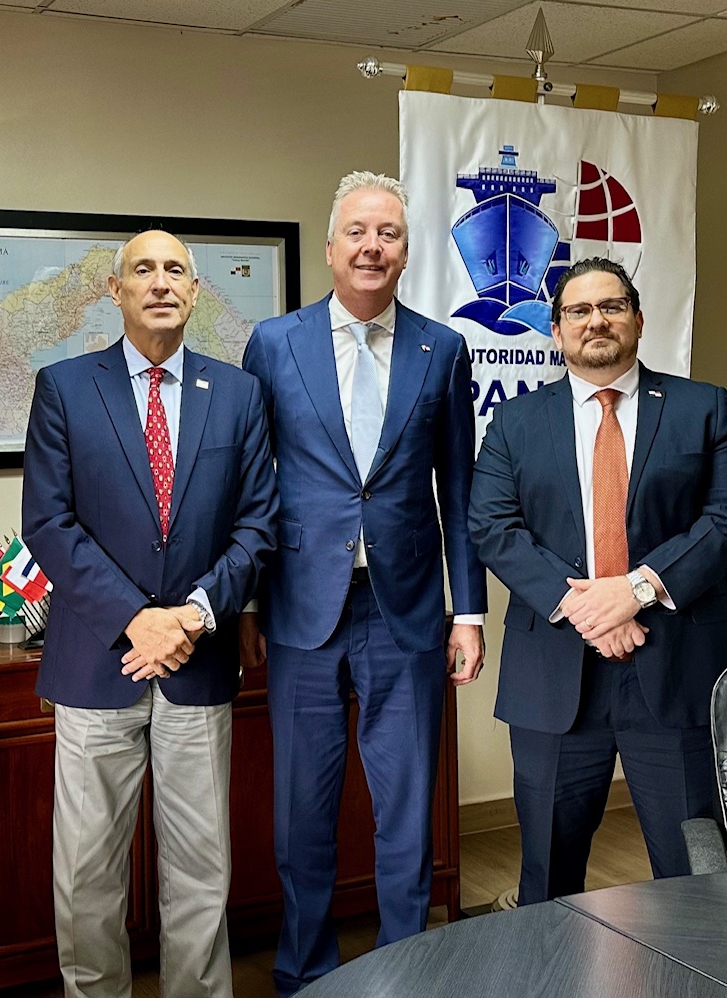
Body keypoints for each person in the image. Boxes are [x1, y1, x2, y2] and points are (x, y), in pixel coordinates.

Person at [240, 172, 486, 996]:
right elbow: (251, 485)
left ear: (406, 251)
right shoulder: (274, 343)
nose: (372, 246)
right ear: (331, 246)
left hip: (405, 610)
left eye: (388, 233)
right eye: (357, 231)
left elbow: (459, 488)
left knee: (407, 810)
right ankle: (304, 973)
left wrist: (469, 612)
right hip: (300, 608)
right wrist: (247, 603)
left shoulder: (441, 349)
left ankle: (405, 969)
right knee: (302, 811)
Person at [22, 229, 278, 998]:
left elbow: (258, 525)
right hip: (98, 664)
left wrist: (192, 616)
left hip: (198, 665)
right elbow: (49, 523)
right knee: (87, 871)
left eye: (175, 270)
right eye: (143, 269)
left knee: (201, 868)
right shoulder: (65, 387)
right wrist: (138, 619)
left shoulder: (237, 394)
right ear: (117, 290)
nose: (160, 282)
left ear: (195, 291)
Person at [469, 257, 727, 904]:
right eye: (578, 310)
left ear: (638, 319)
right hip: (554, 676)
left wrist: (634, 591)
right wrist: (587, 608)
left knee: (696, 874)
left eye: (611, 306)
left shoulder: (705, 408)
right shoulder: (515, 423)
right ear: (556, 330)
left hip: (678, 668)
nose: (596, 320)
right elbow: (492, 527)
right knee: (548, 876)